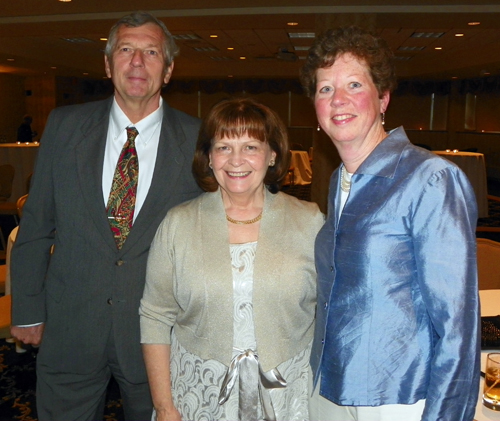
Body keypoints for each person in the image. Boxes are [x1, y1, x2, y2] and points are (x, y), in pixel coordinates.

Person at [10, 11, 202, 421]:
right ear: (107, 63)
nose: (137, 62)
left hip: (158, 336)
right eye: (126, 50)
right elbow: (37, 223)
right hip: (70, 325)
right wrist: (27, 309)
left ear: (167, 70)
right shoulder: (64, 127)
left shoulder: (197, 139)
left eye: (151, 52)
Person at [300, 26, 480, 421]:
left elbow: (458, 326)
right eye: (324, 89)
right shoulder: (338, 181)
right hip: (331, 386)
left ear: (383, 98)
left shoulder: (430, 179)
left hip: (398, 398)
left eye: (353, 84)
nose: (338, 100)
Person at [139, 97, 324, 421]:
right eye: (224, 147)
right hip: (199, 396)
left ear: (272, 155)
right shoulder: (178, 224)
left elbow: (330, 313)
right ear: (209, 157)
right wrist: (165, 407)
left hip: (286, 398)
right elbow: (155, 316)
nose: (236, 160)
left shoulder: (309, 222)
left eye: (251, 147)